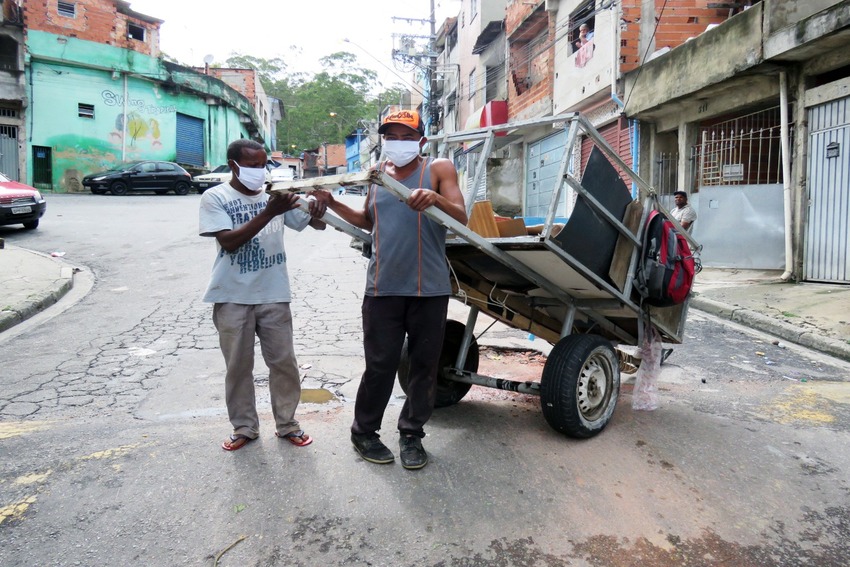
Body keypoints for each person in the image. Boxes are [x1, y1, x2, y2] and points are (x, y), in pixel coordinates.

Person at [311, 110, 468, 470]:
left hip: (429, 288)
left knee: (424, 366)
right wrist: (332, 203)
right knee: (380, 365)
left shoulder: (439, 168)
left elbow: (461, 215)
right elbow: (368, 220)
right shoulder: (377, 175)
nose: (398, 143)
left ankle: (412, 434)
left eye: (406, 136)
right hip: (382, 286)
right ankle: (364, 431)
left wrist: (435, 198)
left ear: (421, 141)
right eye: (391, 137)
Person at [199, 138, 327, 452]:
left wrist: (320, 205)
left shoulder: (277, 197)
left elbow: (318, 225)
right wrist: (270, 212)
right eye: (253, 166)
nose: (260, 171)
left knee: (284, 363)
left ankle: (287, 425)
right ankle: (244, 427)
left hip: (274, 293)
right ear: (234, 165)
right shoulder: (215, 197)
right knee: (238, 367)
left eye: (263, 165)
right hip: (231, 296)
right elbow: (229, 242)